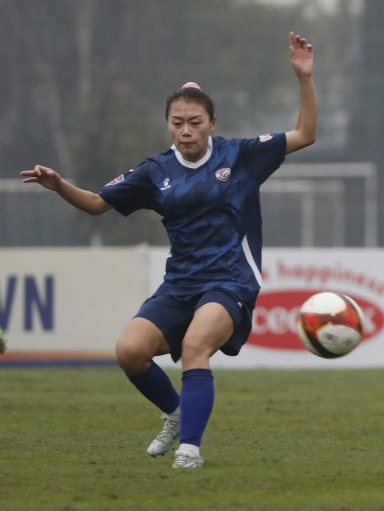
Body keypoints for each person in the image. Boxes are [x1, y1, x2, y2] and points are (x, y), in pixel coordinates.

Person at [20, 31, 317, 468]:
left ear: (212, 123)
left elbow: (306, 133)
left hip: (230, 280)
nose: (186, 130)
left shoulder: (242, 155)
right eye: (177, 122)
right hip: (180, 283)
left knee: (196, 345)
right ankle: (176, 414)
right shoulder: (155, 171)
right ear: (168, 124)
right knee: (130, 352)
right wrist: (59, 184)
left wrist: (303, 77)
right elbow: (98, 204)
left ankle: (190, 451)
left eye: (195, 121)